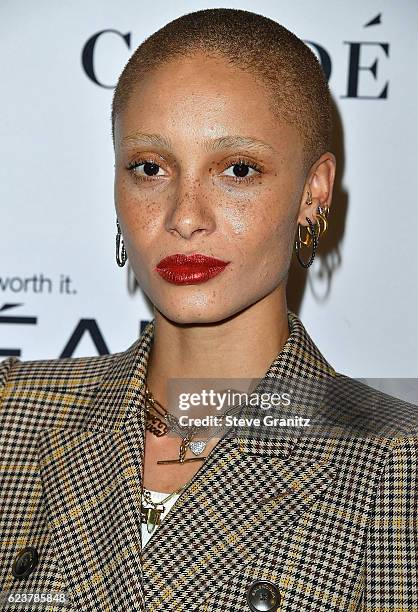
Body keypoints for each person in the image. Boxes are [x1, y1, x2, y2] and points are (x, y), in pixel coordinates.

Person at [0, 8, 416, 612]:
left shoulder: (395, 461)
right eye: (149, 168)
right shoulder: (14, 413)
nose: (184, 216)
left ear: (313, 193)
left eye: (238, 170)